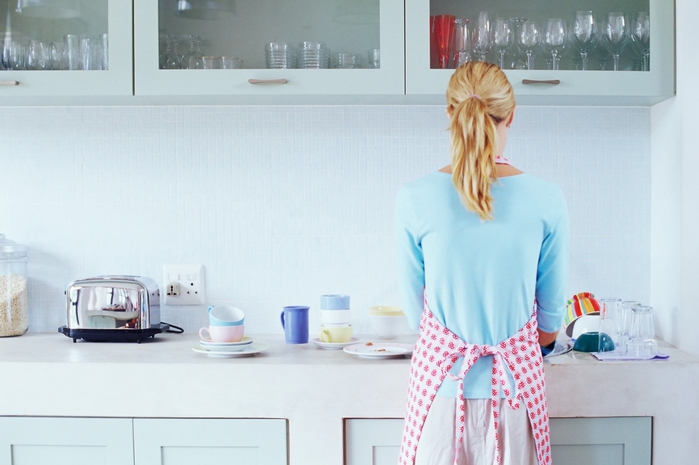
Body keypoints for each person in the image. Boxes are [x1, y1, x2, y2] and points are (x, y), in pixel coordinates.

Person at [394, 62, 569, 465]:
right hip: (515, 396)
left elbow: (415, 317)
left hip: (441, 398)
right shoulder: (547, 198)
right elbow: (550, 322)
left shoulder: (413, 198)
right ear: (511, 115)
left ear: (449, 114)